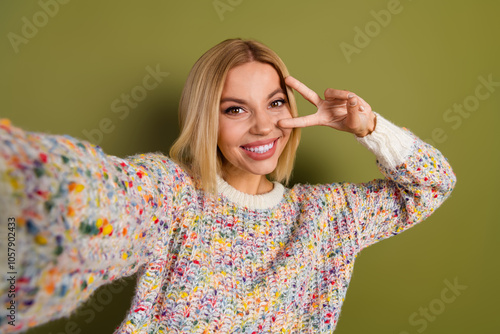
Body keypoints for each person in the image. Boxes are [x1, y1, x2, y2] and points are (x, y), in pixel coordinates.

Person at [0, 38, 456, 333]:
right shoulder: (174, 195)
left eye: (275, 103)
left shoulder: (325, 217)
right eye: (235, 109)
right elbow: (88, 196)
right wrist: (16, 169)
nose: (263, 127)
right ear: (207, 121)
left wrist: (369, 127)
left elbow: (432, 185)